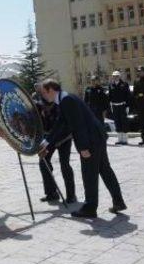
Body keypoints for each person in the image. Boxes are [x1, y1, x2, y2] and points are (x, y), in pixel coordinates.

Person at [39, 79, 126, 218]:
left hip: (90, 140)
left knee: (89, 173)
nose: (43, 96)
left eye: (44, 92)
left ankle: (90, 208)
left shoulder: (67, 100)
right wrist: (46, 143)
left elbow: (78, 125)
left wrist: (83, 147)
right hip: (97, 137)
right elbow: (61, 124)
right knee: (105, 170)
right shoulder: (65, 99)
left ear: (51, 90)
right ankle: (119, 201)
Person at [34, 84, 76, 204]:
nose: (43, 95)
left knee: (65, 164)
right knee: (44, 162)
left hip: (64, 137)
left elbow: (63, 123)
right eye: (41, 93)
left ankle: (71, 195)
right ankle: (51, 193)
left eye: (44, 92)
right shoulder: (37, 102)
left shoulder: (61, 101)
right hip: (49, 137)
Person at [109, 71, 130, 145]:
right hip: (115, 106)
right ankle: (119, 139)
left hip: (122, 106)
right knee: (117, 122)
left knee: (123, 122)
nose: (115, 77)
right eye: (114, 76)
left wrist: (127, 106)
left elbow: (128, 96)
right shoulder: (111, 85)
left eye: (117, 76)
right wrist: (110, 105)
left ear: (119, 76)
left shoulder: (124, 84)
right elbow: (110, 96)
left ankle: (125, 139)